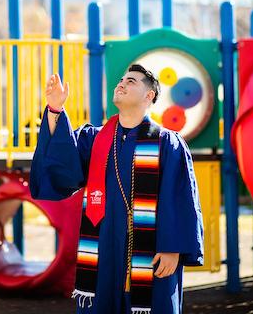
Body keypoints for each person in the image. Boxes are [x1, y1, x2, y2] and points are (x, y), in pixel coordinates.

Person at [30, 64, 204, 314]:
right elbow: (63, 167)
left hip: (152, 252)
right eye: (121, 79)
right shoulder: (95, 139)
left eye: (131, 81)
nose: (121, 83)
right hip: (103, 250)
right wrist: (56, 111)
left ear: (149, 96)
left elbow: (179, 198)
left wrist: (172, 247)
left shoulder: (166, 143)